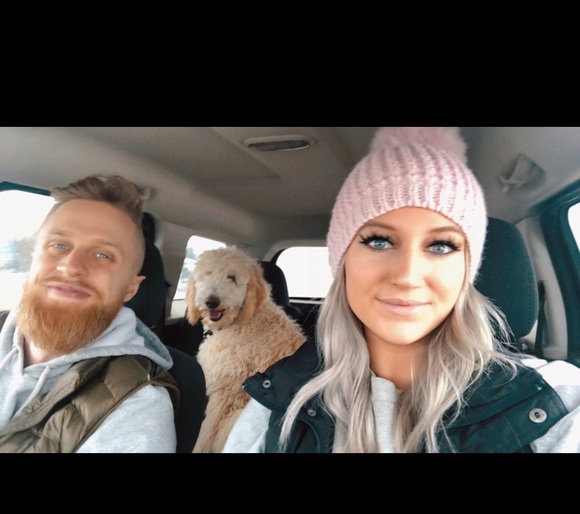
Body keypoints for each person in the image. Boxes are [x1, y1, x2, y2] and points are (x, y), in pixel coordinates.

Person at [222, 127, 580, 453]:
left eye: (441, 246)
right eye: (379, 242)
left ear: (466, 270)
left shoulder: (552, 403)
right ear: (343, 262)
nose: (408, 276)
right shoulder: (278, 406)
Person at [0, 174, 179, 453]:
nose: (71, 266)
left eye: (103, 255)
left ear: (130, 288)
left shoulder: (136, 409)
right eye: (59, 245)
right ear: (34, 258)